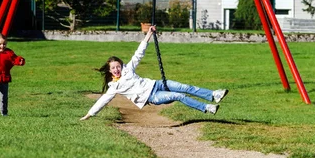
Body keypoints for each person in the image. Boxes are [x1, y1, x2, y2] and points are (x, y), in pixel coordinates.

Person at [80, 26, 228, 121]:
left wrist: (149, 33)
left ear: (121, 65)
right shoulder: (114, 86)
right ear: (110, 71)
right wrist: (89, 114)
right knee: (179, 96)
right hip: (152, 97)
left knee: (186, 87)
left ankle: (213, 95)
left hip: (157, 84)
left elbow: (139, 52)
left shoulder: (128, 69)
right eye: (113, 68)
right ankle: (207, 108)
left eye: (118, 66)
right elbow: (103, 100)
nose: (117, 69)